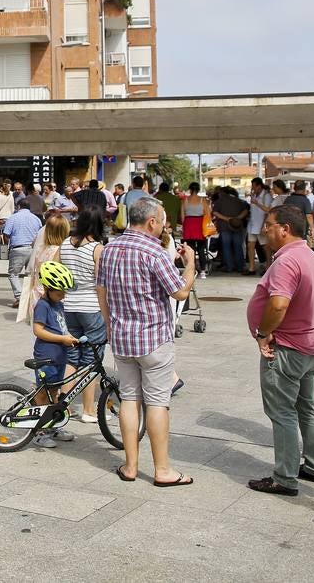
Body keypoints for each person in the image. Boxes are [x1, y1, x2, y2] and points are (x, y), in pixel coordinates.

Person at [96, 196, 196, 486]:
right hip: (153, 338)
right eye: (163, 220)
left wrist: (109, 325)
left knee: (129, 399)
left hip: (122, 337)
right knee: (157, 403)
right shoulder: (154, 252)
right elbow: (179, 292)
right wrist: (189, 264)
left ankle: (130, 466)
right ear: (152, 221)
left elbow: (101, 290)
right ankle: (162, 470)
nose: (165, 226)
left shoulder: (110, 248)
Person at [246, 204, 314, 496]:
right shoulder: (312, 258)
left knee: (282, 412)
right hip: (310, 345)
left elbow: (278, 304)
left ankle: (284, 476)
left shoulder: (287, 262)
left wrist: (264, 333)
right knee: (307, 406)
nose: (264, 229)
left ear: (285, 229)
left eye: (269, 224)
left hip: (286, 348)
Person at [56, 209, 105, 423]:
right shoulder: (97, 248)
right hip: (91, 306)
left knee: (72, 357)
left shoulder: (65, 244)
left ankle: (63, 406)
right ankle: (88, 410)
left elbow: (55, 269)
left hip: (69, 305)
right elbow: (101, 282)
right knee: (91, 359)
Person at [29, 261, 82, 446]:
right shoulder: (43, 305)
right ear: (47, 288)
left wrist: (71, 338)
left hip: (59, 356)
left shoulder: (58, 304)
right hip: (46, 357)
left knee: (54, 392)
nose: (63, 295)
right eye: (60, 292)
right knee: (43, 394)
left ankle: (52, 425)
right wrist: (62, 340)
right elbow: (38, 330)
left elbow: (61, 327)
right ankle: (38, 432)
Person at [3, 195, 44, 305]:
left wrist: (9, 244)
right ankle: (30, 296)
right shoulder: (36, 219)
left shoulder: (13, 217)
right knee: (30, 274)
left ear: (19, 206)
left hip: (18, 248)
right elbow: (40, 234)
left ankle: (19, 296)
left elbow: (6, 234)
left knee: (13, 274)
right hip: (33, 248)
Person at [211, 186, 248, 273]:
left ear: (222, 193)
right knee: (238, 247)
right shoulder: (238, 200)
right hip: (237, 226)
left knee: (226, 247)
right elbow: (246, 210)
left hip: (224, 227)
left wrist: (227, 219)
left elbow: (215, 212)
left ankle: (229, 267)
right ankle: (240, 267)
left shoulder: (219, 201)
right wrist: (237, 218)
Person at [180, 182, 210, 279]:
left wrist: (183, 227)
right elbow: (207, 214)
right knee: (201, 249)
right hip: (200, 224)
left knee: (190, 249)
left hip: (189, 224)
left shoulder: (185, 200)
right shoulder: (203, 200)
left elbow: (182, 217)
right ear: (198, 189)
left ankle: (192, 270)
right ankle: (203, 271)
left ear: (190, 189)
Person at [246, 178, 274, 275]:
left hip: (262, 224)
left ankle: (268, 267)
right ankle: (251, 267)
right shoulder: (254, 195)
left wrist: (257, 203)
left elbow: (268, 210)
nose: (253, 189)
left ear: (259, 186)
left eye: (254, 186)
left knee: (266, 247)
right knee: (250, 245)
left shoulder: (266, 196)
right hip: (252, 224)